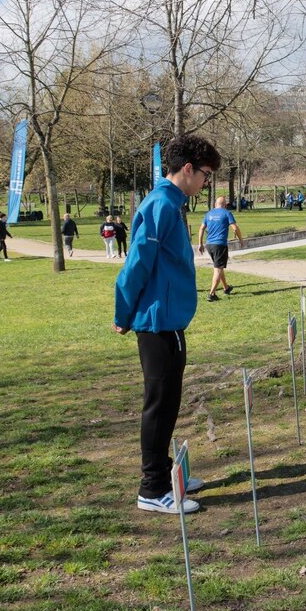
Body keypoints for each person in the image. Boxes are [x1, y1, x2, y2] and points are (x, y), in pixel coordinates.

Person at [114, 133, 221, 515]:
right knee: (158, 405)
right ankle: (152, 488)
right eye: (206, 175)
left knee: (171, 401)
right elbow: (137, 264)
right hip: (156, 323)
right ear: (188, 169)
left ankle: (164, 472)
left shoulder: (174, 204)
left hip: (171, 321)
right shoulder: (160, 204)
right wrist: (123, 314)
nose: (207, 183)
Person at [198, 196, 245, 302]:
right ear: (225, 205)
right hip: (220, 245)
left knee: (219, 266)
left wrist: (200, 244)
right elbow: (235, 228)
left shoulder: (208, 214)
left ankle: (226, 288)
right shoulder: (226, 213)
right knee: (218, 269)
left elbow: (201, 228)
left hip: (209, 245)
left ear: (215, 204)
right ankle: (211, 294)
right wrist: (241, 240)